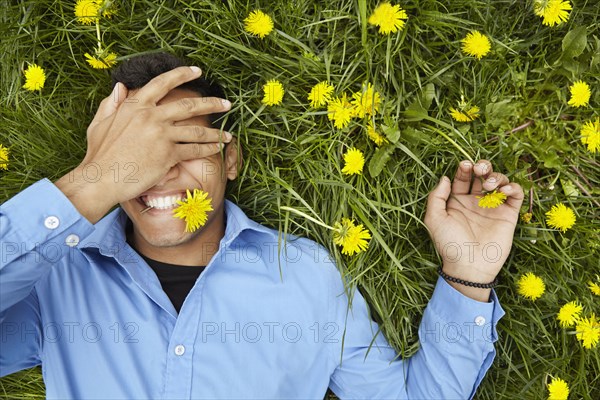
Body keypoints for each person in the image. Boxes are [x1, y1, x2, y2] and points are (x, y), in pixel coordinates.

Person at [0, 53, 524, 399]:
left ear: (231, 160)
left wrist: (467, 276)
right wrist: (91, 182)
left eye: (185, 146)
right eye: (134, 158)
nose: (159, 172)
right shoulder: (52, 276)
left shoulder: (306, 276)